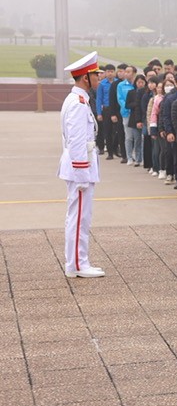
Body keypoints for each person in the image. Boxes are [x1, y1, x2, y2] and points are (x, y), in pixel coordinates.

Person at [60, 52, 105, 278]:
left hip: (82, 167)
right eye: (96, 74)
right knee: (79, 218)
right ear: (86, 77)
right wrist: (81, 174)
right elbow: (76, 141)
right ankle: (78, 265)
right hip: (80, 169)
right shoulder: (77, 103)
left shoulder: (78, 100)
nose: (99, 77)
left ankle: (78, 262)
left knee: (80, 217)